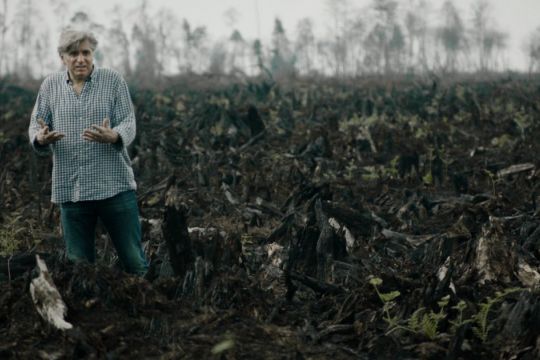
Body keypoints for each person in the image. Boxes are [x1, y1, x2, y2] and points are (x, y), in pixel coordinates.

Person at [28, 29, 148, 275]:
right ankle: (92, 312)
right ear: (62, 57)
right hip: (72, 191)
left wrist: (114, 135)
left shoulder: (112, 81)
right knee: (79, 267)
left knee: (135, 262)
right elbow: (35, 124)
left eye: (86, 52)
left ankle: (147, 309)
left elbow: (128, 122)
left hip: (114, 187)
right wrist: (40, 138)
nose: (80, 59)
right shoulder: (50, 86)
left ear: (93, 54)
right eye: (73, 53)